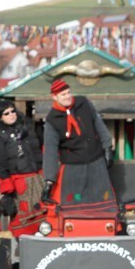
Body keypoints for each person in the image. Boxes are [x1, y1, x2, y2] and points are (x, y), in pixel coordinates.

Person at [42, 79, 115, 213]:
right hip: (72, 165)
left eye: (68, 92)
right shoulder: (52, 119)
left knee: (100, 199)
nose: (68, 96)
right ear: (55, 97)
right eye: (63, 94)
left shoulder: (83, 103)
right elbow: (50, 151)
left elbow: (98, 125)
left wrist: (107, 147)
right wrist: (49, 180)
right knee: (75, 201)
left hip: (95, 159)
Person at [0, 99, 45, 237]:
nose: (11, 114)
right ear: (0, 117)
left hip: (36, 178)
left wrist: (43, 173)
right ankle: (21, 250)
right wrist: (7, 189)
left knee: (42, 216)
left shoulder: (26, 129)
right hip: (17, 183)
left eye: (13, 111)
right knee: (22, 219)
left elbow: (37, 153)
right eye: (6, 113)